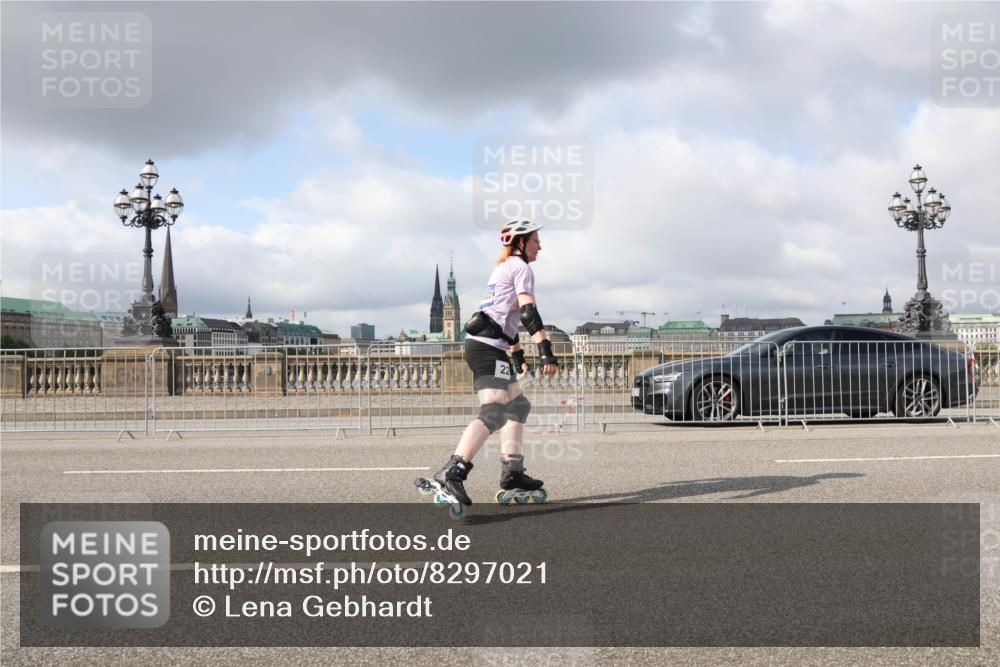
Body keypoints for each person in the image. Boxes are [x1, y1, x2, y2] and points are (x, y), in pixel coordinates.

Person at [432, 220, 559, 505]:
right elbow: (528, 313)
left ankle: (512, 472)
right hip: (486, 349)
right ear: (522, 243)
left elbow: (505, 320)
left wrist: (518, 358)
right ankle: (453, 471)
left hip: (491, 346)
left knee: (518, 406)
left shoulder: (503, 268)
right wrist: (546, 352)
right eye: (536, 240)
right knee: (494, 412)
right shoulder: (521, 267)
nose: (540, 245)